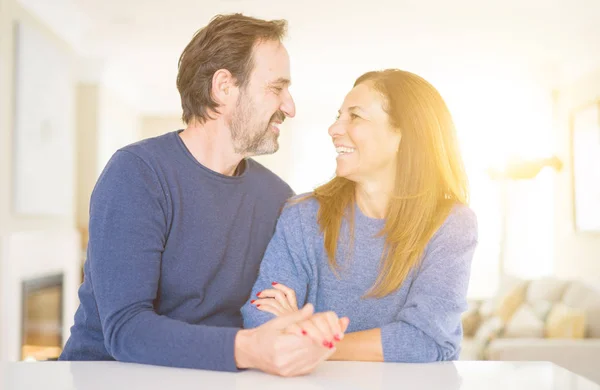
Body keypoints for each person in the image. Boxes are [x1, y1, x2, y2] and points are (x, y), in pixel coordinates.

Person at [59, 13, 346, 376]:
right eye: (276, 88)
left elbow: (271, 309)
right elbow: (126, 331)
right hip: (106, 377)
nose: (289, 107)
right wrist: (249, 349)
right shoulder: (137, 174)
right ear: (223, 87)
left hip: (213, 377)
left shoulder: (277, 197)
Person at [242, 69, 478, 362]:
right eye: (338, 115)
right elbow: (261, 314)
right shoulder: (302, 216)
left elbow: (426, 340)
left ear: (404, 134)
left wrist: (315, 340)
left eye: (355, 116)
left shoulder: (450, 224)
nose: (334, 128)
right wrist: (304, 336)